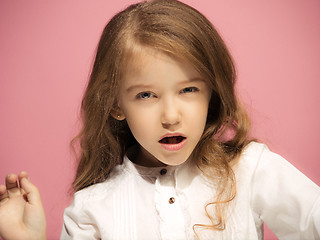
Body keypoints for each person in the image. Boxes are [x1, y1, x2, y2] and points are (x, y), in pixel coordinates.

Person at [0, 0, 319, 239]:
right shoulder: (91, 210)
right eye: (146, 95)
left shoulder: (251, 171)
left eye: (189, 89)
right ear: (115, 104)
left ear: (211, 92)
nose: (170, 116)